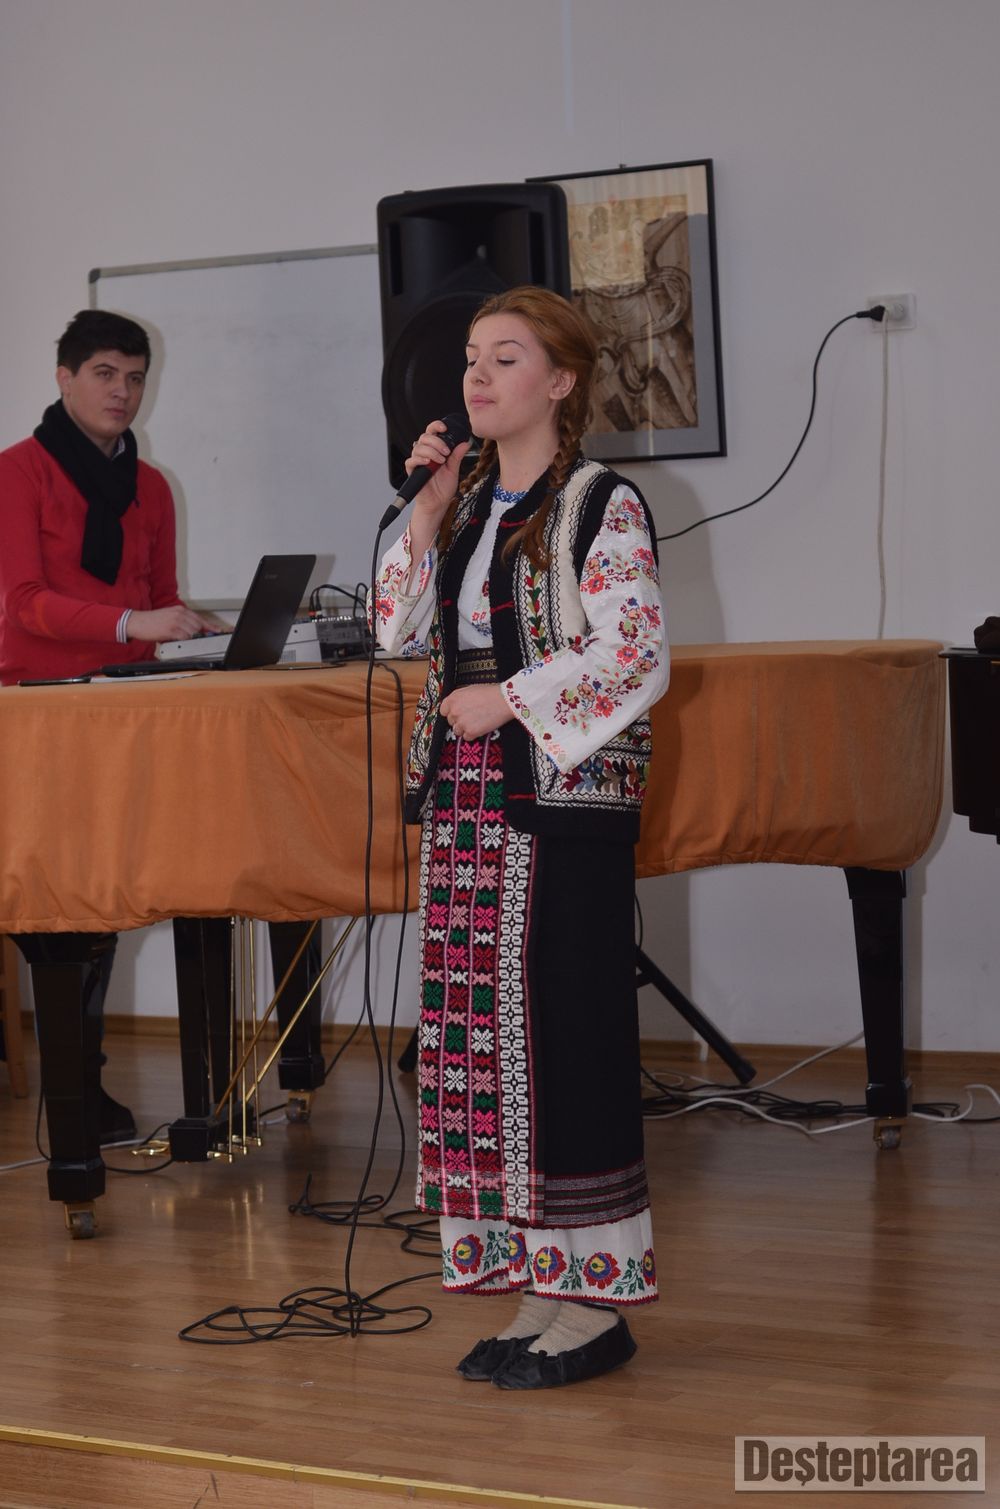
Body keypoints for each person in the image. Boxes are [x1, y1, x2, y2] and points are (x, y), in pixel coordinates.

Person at [373, 286, 669, 1389]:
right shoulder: (461, 507)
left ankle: (596, 1303)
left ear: (560, 381)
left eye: (506, 357)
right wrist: (425, 506)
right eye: (470, 357)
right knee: (484, 1051)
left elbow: (634, 653)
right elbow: (393, 623)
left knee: (561, 1039)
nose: (477, 375)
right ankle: (545, 1285)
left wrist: (508, 698)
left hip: (559, 803)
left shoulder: (601, 503)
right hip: (465, 801)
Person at [0, 310, 210, 1140]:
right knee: (64, 905)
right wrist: (132, 624)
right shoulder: (17, 472)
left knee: (106, 896)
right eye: (104, 374)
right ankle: (76, 1089)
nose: (123, 391)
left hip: (124, 711)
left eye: (135, 377)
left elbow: (161, 600)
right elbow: (23, 605)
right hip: (39, 715)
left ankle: (83, 1080)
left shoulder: (152, 486)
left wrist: (193, 632)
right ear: (64, 378)